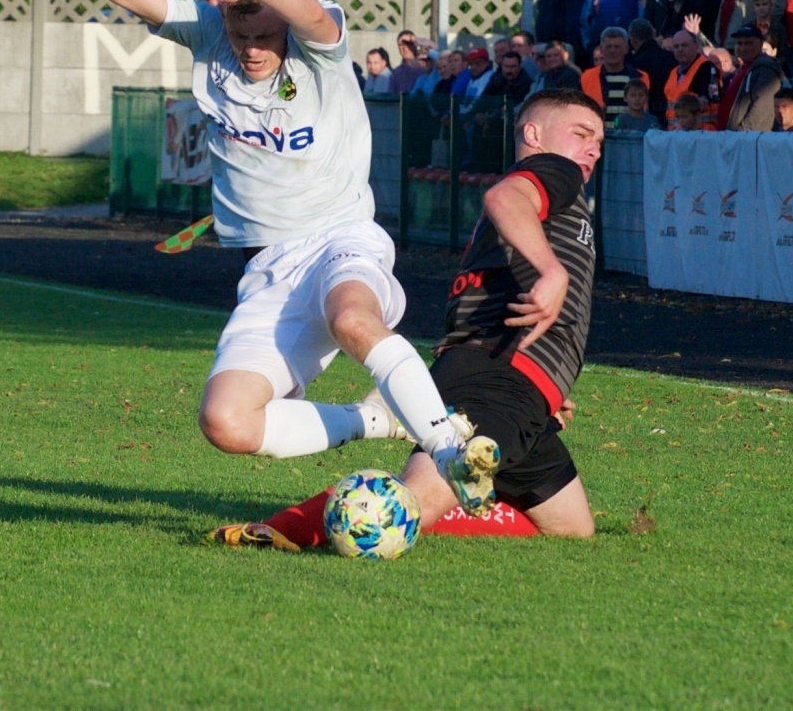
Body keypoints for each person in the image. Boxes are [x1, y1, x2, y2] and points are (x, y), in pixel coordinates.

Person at [94, 0, 497, 509]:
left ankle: (448, 449)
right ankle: (376, 420)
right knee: (227, 422)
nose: (252, 49)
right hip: (272, 267)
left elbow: (311, 13)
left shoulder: (317, 46)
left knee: (353, 319)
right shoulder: (207, 27)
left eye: (263, 36)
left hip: (343, 237)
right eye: (240, 34)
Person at [211, 90, 606, 550]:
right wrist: (552, 271)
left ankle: (437, 493)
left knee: (571, 526)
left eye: (599, 139)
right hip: (498, 377)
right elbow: (505, 197)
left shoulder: (559, 194)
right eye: (581, 133)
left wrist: (548, 392)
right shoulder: (552, 169)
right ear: (534, 134)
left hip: (519, 385)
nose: (593, 147)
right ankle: (288, 527)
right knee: (410, 501)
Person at [720, 25, 784, 132]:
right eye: (740, 43)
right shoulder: (746, 68)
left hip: (747, 141)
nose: (743, 48)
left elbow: (763, 108)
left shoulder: (765, 69)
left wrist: (742, 135)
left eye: (749, 43)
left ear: (760, 44)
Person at [579, 27, 650, 118]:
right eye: (608, 47)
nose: (612, 51)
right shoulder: (586, 78)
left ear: (626, 49)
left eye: (617, 47)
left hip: (632, 131)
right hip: (598, 131)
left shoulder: (642, 77)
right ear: (601, 49)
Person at [662, 28, 720, 129]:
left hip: (701, 135)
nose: (680, 49)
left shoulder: (706, 68)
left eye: (684, 45)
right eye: (676, 46)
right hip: (676, 135)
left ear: (696, 46)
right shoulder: (673, 72)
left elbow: (707, 99)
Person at [626, 17, 677, 115]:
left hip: (644, 114)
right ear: (652, 34)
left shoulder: (633, 63)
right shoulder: (672, 58)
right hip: (672, 114)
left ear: (632, 39)